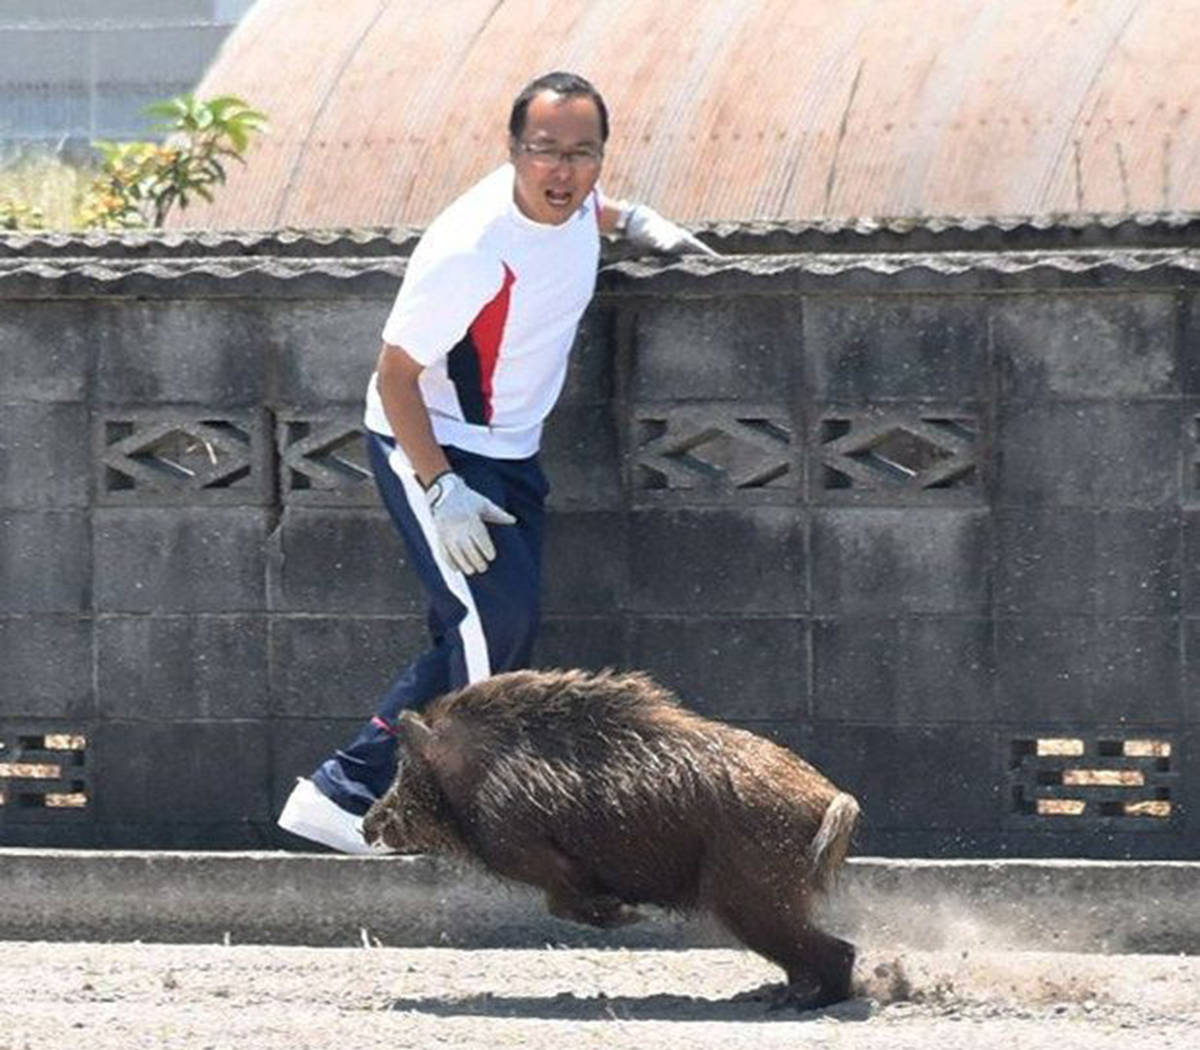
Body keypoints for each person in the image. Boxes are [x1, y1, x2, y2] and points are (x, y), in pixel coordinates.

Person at [277, 70, 717, 853]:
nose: (563, 172)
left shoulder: (579, 201)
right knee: (490, 640)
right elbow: (394, 375)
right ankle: (432, 816)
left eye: (582, 154)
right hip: (435, 444)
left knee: (480, 635)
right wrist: (440, 487)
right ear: (513, 150)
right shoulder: (473, 251)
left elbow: (595, 209)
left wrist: (640, 224)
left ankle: (342, 793)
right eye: (544, 152)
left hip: (512, 448)